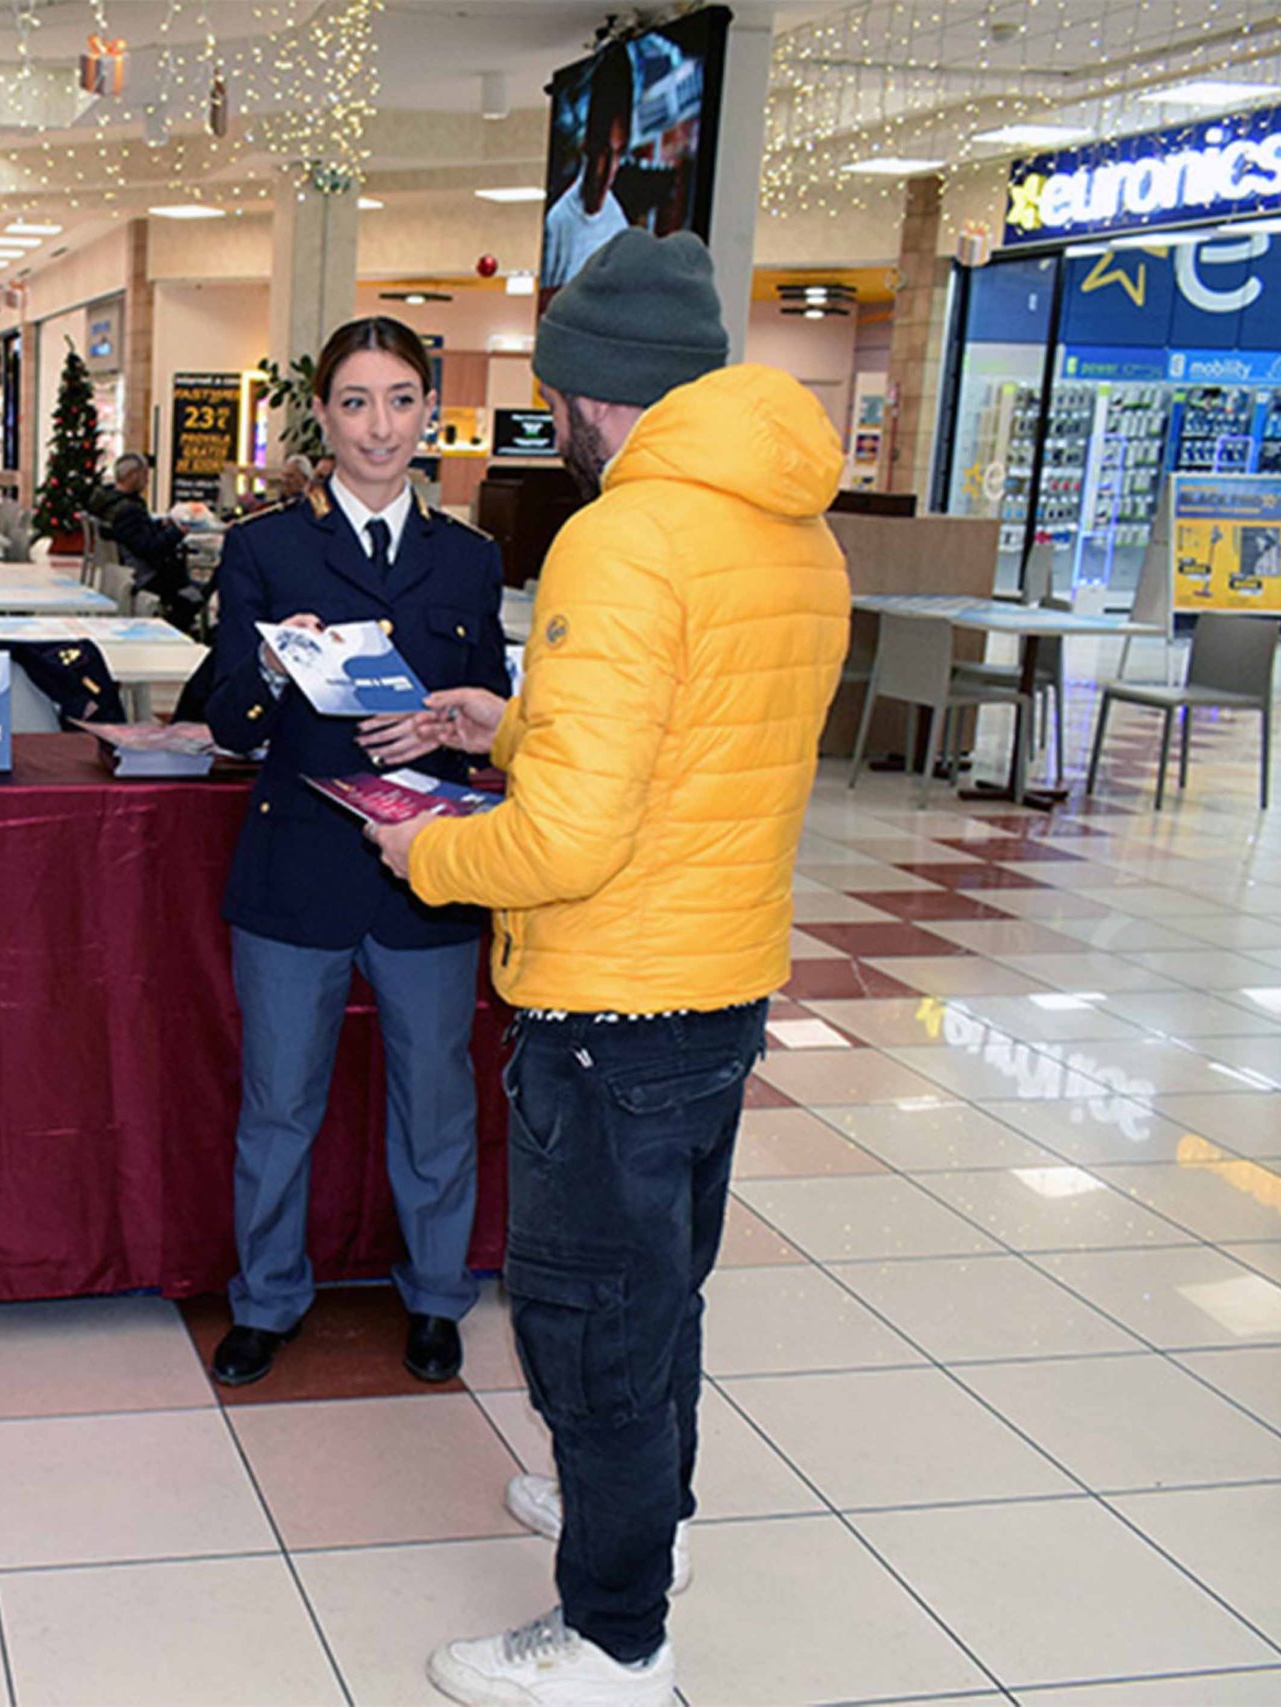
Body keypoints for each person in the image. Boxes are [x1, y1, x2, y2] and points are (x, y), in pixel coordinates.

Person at [369, 230, 850, 1707]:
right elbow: (692, 739)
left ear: (592, 392)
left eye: (553, 394)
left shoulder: (625, 535)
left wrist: (427, 853)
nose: (551, 420)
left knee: (592, 1320)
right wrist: (506, 723)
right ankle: (649, 1520)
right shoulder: (791, 525)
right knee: (662, 1294)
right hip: (720, 978)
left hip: (611, 999)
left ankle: (611, 1637)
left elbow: (570, 840)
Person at [199, 315, 512, 1390]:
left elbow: (497, 708)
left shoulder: (467, 558)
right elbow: (229, 721)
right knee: (279, 1104)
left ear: (428, 413)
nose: (380, 427)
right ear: (323, 417)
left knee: (437, 1098)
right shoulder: (266, 548)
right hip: (299, 866)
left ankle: (434, 1297)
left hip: (431, 868)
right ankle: (266, 1298)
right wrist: (276, 666)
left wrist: (445, 723)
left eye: (401, 401)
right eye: (356, 402)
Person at [541, 43, 634, 292]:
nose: (609, 171)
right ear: (587, 144)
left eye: (618, 154)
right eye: (603, 152)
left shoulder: (619, 227)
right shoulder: (558, 222)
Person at [88, 451, 205, 625]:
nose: (147, 480)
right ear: (132, 475)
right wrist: (177, 532)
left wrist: (158, 525)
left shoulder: (108, 503)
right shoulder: (128, 511)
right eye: (144, 475)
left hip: (124, 569)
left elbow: (134, 535)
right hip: (145, 576)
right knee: (197, 592)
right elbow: (150, 547)